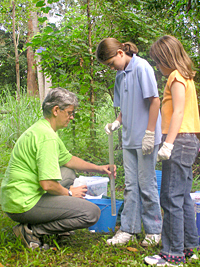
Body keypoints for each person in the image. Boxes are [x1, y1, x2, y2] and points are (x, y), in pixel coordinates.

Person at [1, 87, 116, 250]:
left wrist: (99, 168)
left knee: (68, 172)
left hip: (16, 197)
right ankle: (31, 231)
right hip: (22, 203)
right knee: (91, 213)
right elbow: (47, 184)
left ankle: (57, 221)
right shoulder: (47, 138)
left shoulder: (43, 128)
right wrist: (69, 193)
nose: (71, 117)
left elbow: (68, 160)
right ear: (56, 110)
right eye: (69, 113)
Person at [96, 38, 162, 246]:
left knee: (147, 184)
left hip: (146, 138)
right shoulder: (120, 76)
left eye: (110, 63)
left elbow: (154, 100)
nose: (110, 67)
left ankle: (153, 231)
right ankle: (129, 229)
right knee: (131, 185)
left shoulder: (142, 67)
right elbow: (125, 107)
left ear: (120, 53)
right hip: (129, 139)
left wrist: (150, 133)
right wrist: (116, 122)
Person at [144, 35, 200, 266]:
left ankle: (172, 254)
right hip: (189, 139)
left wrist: (168, 143)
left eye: (158, 62)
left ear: (167, 58)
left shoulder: (176, 77)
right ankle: (189, 247)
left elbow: (178, 112)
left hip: (178, 140)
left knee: (170, 197)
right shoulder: (186, 77)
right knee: (183, 196)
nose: (158, 67)